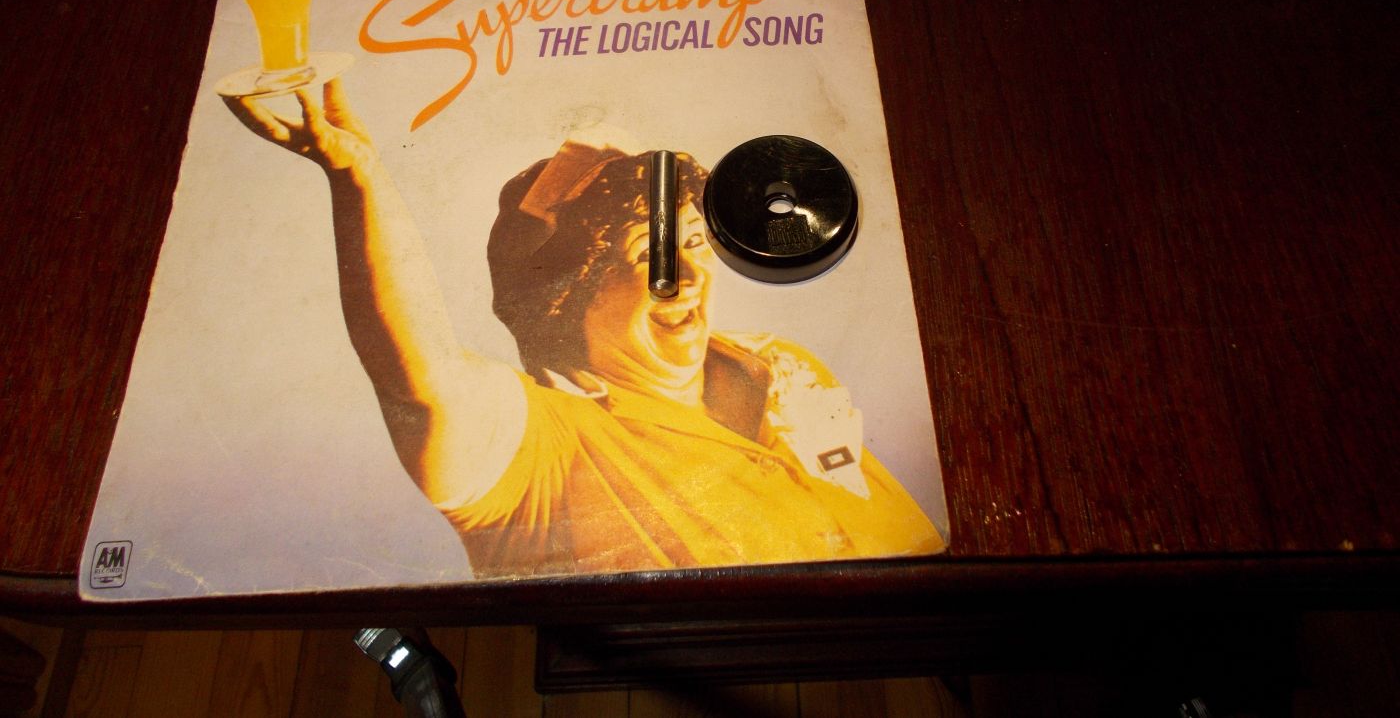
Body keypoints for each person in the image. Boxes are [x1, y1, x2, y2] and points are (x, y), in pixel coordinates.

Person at [226, 81, 943, 578]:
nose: (689, 276)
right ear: (568, 298)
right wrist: (357, 175)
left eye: (695, 242)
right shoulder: (540, 446)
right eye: (647, 255)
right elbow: (421, 380)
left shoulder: (783, 366)